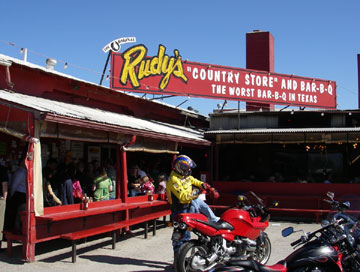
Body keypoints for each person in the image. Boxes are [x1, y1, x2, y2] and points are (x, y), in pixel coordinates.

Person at [166, 155, 219, 256]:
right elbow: (183, 197)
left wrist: (204, 185)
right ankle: (178, 261)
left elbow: (193, 180)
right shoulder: (173, 180)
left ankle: (214, 222)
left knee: (200, 228)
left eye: (189, 168)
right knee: (182, 236)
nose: (188, 170)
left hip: (189, 206)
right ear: (179, 167)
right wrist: (198, 191)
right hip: (179, 211)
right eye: (186, 167)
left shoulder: (185, 176)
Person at [4, 158, 27, 233]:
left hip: (21, 195)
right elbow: (14, 185)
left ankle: (17, 230)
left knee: (18, 215)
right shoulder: (21, 172)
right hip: (19, 195)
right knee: (16, 215)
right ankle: (15, 231)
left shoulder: (23, 172)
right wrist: (11, 194)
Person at [0, 163, 9, 242]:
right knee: (0, 221)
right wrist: (5, 198)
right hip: (0, 199)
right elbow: (4, 185)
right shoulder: (2, 169)